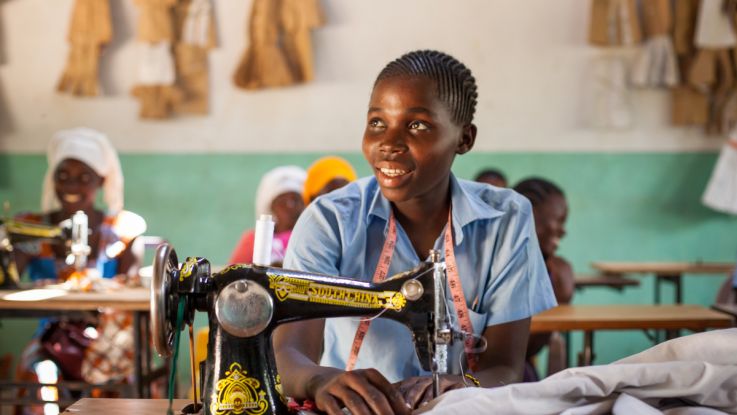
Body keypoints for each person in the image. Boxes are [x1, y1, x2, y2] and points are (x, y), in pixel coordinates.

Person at [274, 50, 557, 414]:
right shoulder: (330, 221)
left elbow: (504, 366)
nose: (388, 143)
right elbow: (290, 351)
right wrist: (321, 380)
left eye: (417, 125)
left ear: (464, 139)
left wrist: (463, 386)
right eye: (377, 122)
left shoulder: (505, 219)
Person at [13, 128, 143, 413]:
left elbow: (131, 287)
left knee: (121, 377)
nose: (71, 185)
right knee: (42, 376)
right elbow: (11, 273)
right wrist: (9, 247)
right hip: (50, 339)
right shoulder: (31, 226)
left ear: (101, 181)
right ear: (53, 180)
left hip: (106, 340)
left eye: (84, 177)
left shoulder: (123, 230)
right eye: (63, 176)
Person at [513, 177, 574, 381]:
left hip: (519, 372)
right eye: (559, 220)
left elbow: (528, 348)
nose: (563, 230)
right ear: (529, 215)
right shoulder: (494, 269)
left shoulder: (558, 274)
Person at [229, 166, 306, 265]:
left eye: (295, 200)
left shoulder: (309, 238)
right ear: (271, 206)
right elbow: (234, 276)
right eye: (282, 201)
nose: (289, 206)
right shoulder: (254, 240)